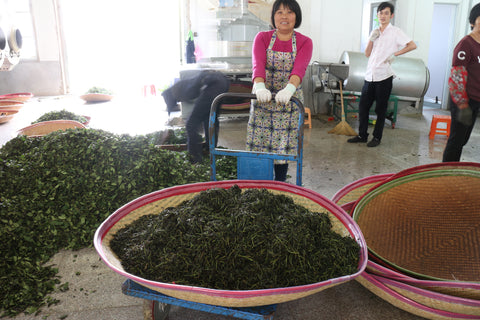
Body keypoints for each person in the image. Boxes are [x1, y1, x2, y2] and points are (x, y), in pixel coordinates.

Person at [247, 0, 312, 181]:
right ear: (273, 16)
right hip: (263, 100)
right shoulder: (262, 37)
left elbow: (299, 69)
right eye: (280, 12)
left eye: (290, 12)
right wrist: (259, 86)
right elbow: (257, 65)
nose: (284, 16)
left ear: (296, 17)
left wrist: (289, 89)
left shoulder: (305, 42)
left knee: (283, 148)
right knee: (260, 145)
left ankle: (280, 183)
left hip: (288, 102)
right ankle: (260, 183)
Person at [348, 1, 417, 147]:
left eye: (386, 13)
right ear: (377, 15)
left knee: (380, 109)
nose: (383, 16)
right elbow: (367, 54)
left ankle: (377, 137)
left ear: (391, 15)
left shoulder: (396, 32)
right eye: (380, 13)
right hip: (369, 75)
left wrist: (396, 54)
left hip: (384, 76)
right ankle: (362, 135)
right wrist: (371, 39)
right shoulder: (375, 31)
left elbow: (412, 45)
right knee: (363, 107)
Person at [161, 70, 230, 163]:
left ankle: (195, 159)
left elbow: (196, 90)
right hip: (223, 81)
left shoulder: (177, 91)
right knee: (209, 119)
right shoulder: (177, 89)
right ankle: (210, 148)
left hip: (213, 84)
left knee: (190, 124)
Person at [442, 3, 480, 162]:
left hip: (476, 100)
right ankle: (446, 175)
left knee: (463, 140)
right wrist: (462, 105)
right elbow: (456, 77)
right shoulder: (466, 44)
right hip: (464, 100)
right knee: (456, 141)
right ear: (473, 21)